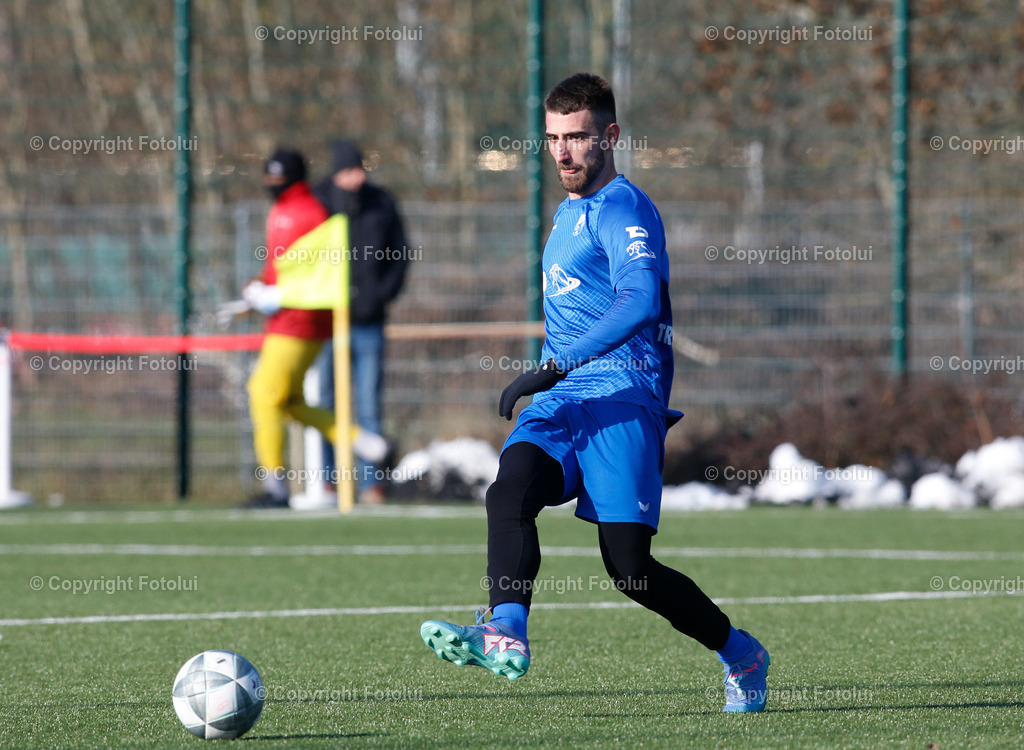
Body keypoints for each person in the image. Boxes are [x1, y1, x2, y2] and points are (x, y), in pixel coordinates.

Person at [419, 74, 770, 712]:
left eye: (577, 137)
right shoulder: (563, 213)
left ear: (608, 136)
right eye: (552, 138)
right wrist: (557, 377)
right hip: (566, 397)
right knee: (511, 484)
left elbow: (639, 299)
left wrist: (556, 364)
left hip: (622, 394)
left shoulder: (624, 208)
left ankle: (740, 652)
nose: (563, 152)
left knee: (630, 569)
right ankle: (506, 629)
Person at [244, 147, 387, 508]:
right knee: (289, 403)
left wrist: (276, 294)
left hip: (299, 322)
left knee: (262, 393)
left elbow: (316, 273)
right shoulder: (281, 211)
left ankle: (274, 484)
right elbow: (282, 267)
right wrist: (259, 286)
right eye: (268, 177)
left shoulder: (308, 213)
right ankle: (362, 440)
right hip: (286, 319)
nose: (271, 185)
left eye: (278, 178)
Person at [312, 140, 410, 504]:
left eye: (360, 169)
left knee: (369, 404)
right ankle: (326, 482)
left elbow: (401, 254)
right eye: (348, 171)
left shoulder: (382, 202)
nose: (357, 177)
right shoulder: (318, 202)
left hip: (369, 322)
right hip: (326, 324)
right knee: (324, 405)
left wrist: (381, 294)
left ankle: (371, 485)